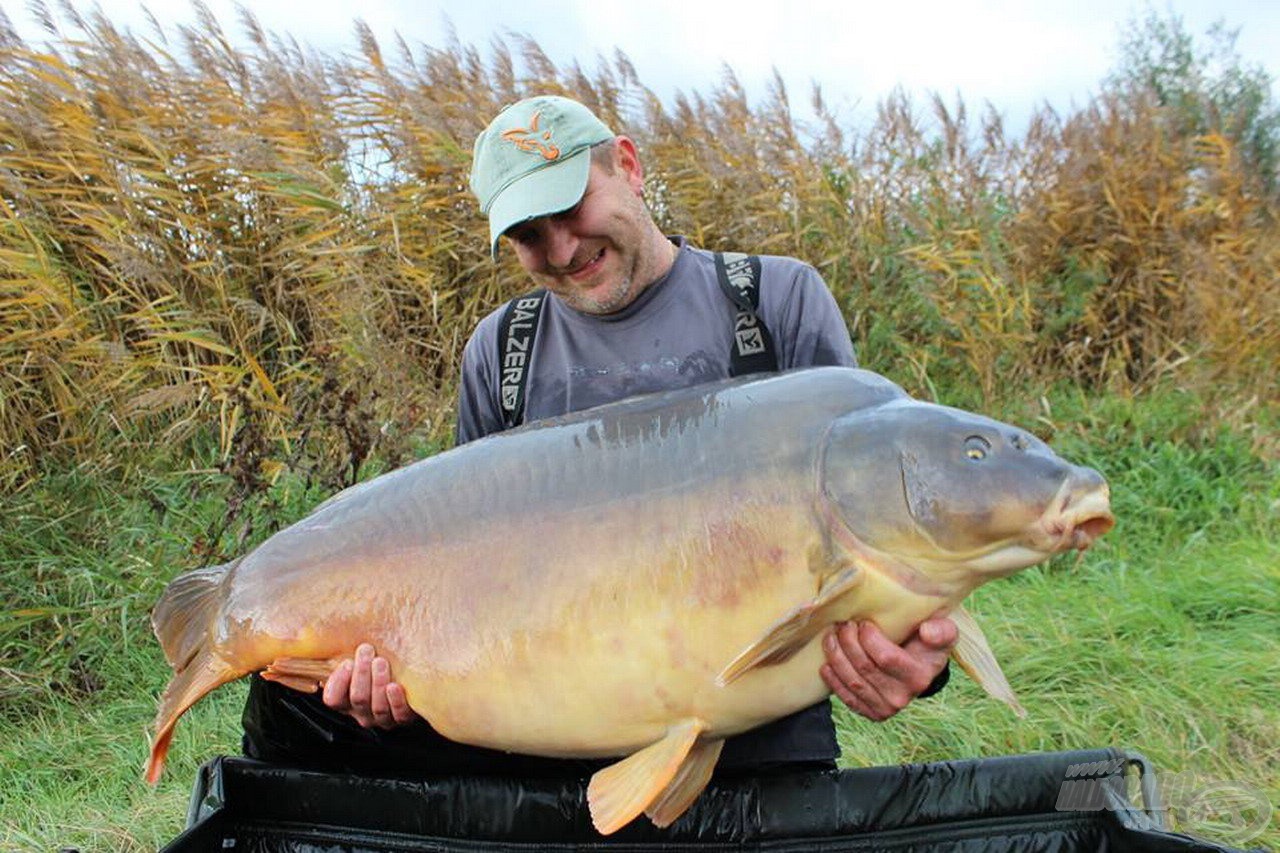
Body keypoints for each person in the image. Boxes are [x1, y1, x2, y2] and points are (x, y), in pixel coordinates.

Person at [242, 95, 956, 782]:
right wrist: (396, 678)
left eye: (569, 207)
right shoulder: (502, 353)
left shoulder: (774, 303)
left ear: (627, 165)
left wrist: (917, 654)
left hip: (766, 745)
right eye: (528, 234)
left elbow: (884, 524)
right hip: (552, 753)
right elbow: (460, 581)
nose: (561, 248)